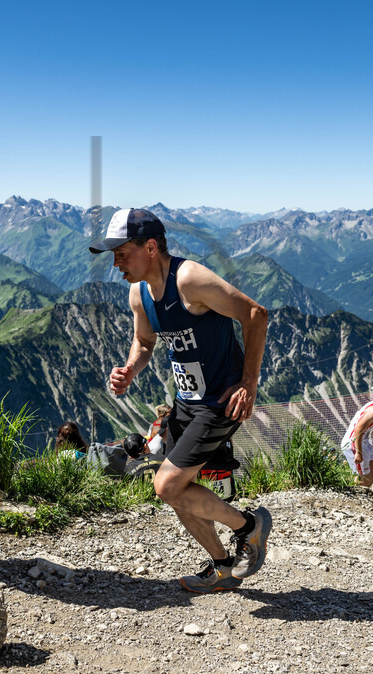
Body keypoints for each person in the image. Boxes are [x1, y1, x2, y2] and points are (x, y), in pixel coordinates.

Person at [91, 208, 270, 594]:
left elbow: (256, 315)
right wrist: (130, 369)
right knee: (177, 492)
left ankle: (249, 527)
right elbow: (144, 341)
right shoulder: (139, 292)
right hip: (186, 402)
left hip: (220, 401)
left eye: (121, 253)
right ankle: (223, 567)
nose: (116, 263)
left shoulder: (188, 279)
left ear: (150, 248)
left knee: (167, 485)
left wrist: (248, 382)